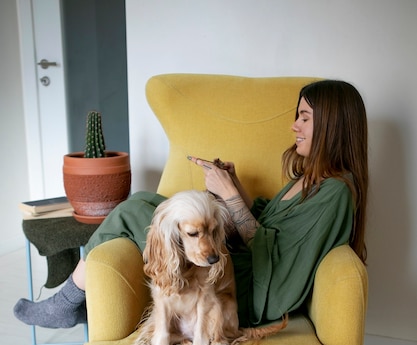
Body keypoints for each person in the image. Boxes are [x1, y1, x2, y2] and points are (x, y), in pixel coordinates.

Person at [14, 79, 368, 329]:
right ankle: (76, 301)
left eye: (305, 117)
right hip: (240, 261)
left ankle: (64, 304)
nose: (294, 126)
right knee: (152, 202)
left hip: (246, 290)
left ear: (333, 124)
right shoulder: (309, 177)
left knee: (138, 208)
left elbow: (279, 260)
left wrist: (228, 195)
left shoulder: (336, 192)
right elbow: (266, 225)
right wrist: (234, 185)